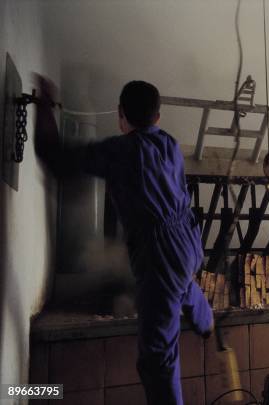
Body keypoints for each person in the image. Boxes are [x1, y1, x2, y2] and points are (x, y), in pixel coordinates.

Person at [34, 78, 214, 405]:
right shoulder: (170, 144)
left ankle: (201, 321)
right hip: (188, 240)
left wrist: (44, 104)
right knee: (179, 281)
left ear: (120, 114)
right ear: (158, 118)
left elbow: (55, 158)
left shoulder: (121, 151)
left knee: (157, 357)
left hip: (159, 251)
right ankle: (204, 319)